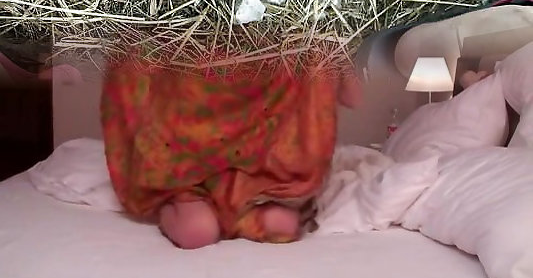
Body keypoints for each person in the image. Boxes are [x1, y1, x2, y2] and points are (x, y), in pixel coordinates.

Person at [101, 52, 360, 248]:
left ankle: (233, 214)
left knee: (284, 226)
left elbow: (352, 97)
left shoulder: (288, 29)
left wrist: (333, 44)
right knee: (196, 232)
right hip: (188, 161)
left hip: (259, 169)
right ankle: (193, 207)